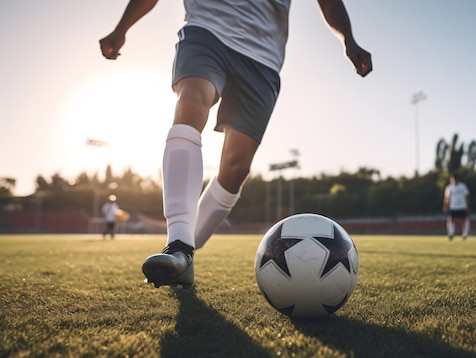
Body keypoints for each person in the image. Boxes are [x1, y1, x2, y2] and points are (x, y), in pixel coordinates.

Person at [100, 0, 372, 288]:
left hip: (263, 56)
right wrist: (122, 28)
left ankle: (186, 255)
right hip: (206, 30)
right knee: (191, 103)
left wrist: (349, 39)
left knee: (236, 166)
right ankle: (179, 245)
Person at [443, 174, 470, 240]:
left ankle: (465, 234)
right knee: (451, 220)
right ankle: (451, 234)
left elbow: (466, 196)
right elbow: (446, 198)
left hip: (462, 206)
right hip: (453, 206)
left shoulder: (462, 186)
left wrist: (467, 205)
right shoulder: (449, 187)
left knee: (464, 220)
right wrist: (445, 206)